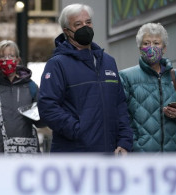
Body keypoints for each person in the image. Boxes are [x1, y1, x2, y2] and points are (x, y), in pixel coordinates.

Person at [37, 4, 133, 153]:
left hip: (110, 153)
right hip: (74, 154)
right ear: (66, 31)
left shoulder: (108, 61)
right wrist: (78, 131)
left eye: (88, 22)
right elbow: (47, 107)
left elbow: (120, 104)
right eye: (78, 24)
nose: (85, 27)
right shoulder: (57, 64)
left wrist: (124, 140)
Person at [119, 23, 176, 152]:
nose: (151, 47)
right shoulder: (126, 77)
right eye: (146, 43)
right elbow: (118, 116)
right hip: (140, 157)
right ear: (140, 48)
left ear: (164, 48)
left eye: (156, 43)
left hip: (173, 158)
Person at [0, 40, 41, 154]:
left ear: (18, 60)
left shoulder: (30, 86)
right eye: (2, 56)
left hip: (24, 152)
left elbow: (41, 121)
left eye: (11, 56)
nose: (6, 60)